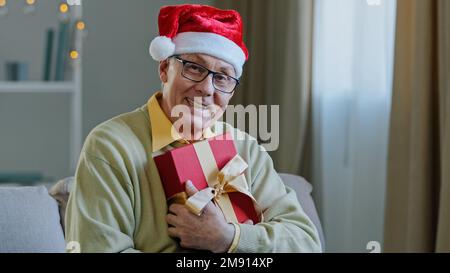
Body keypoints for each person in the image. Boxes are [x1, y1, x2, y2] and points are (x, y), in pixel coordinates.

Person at [65, 4, 321, 253]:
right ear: (165, 69)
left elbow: (306, 243)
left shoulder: (246, 149)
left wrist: (228, 238)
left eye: (222, 77)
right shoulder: (111, 146)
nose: (207, 88)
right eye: (195, 68)